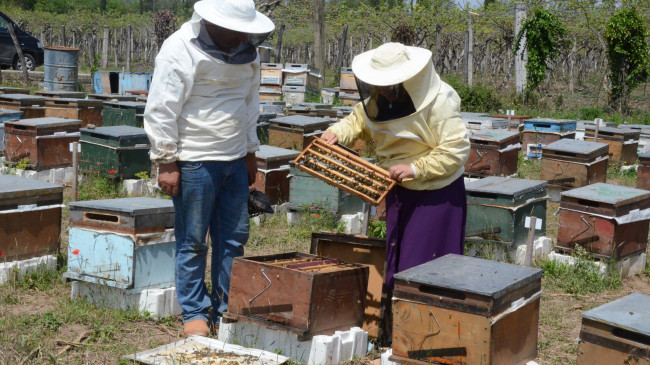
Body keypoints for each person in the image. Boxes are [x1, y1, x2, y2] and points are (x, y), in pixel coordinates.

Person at [143, 0, 274, 336]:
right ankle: (194, 312)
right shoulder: (179, 48)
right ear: (213, 23)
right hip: (194, 160)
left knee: (233, 241)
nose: (243, 36)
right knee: (193, 241)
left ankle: (226, 308)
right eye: (237, 29)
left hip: (233, 160)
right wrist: (166, 158)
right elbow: (161, 107)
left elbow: (249, 105)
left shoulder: (249, 55)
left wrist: (250, 153)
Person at [321, 42, 470, 289]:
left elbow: (456, 149)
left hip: (435, 194)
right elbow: (358, 121)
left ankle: (425, 320)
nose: (382, 90)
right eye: (378, 84)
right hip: (396, 189)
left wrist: (415, 169)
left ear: (407, 80)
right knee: (396, 258)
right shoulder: (379, 99)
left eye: (388, 85)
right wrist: (336, 133)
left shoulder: (440, 100)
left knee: (427, 268)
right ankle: (397, 316)